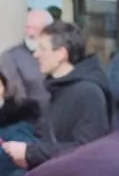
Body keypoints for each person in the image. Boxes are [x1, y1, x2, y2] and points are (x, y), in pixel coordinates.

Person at [23, 20, 111, 167]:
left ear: (61, 54)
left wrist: (31, 153)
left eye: (42, 48)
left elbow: (88, 151)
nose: (36, 54)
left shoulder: (88, 93)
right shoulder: (55, 89)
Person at [0, 9, 53, 108]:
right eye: (27, 27)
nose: (30, 33)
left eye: (35, 28)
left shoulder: (59, 54)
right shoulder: (11, 56)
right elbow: (16, 97)